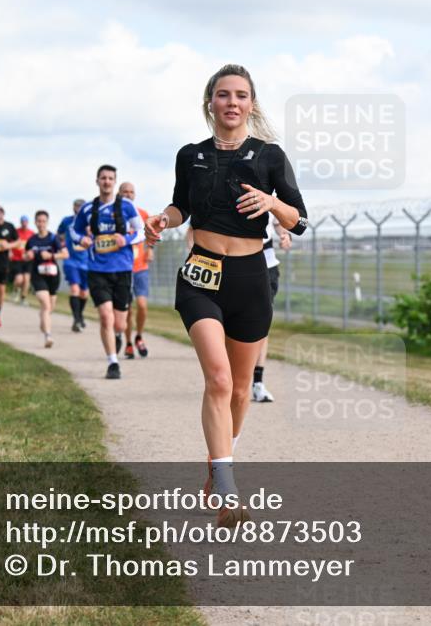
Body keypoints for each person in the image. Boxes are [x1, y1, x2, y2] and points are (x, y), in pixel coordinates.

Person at [143, 64, 308, 526]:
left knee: (239, 390)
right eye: (222, 95)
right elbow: (182, 205)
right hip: (201, 275)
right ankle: (228, 489)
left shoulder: (270, 156)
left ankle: (218, 466)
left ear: (251, 104)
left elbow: (300, 219)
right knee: (218, 380)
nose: (231, 102)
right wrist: (163, 220)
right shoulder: (190, 154)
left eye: (240, 95)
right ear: (209, 103)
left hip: (251, 278)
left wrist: (274, 203)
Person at [70, 166, 145, 379]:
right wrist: (82, 239)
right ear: (97, 181)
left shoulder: (127, 207)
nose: (106, 181)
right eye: (103, 178)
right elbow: (74, 231)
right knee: (105, 317)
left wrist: (127, 239)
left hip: (122, 269)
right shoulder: (87, 209)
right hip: (97, 269)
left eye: (110, 178)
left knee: (119, 323)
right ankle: (113, 362)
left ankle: (119, 335)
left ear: (115, 182)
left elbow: (142, 231)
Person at [252, 220, 291, 402]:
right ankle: (233, 377)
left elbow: (277, 220)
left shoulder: (270, 192)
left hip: (266, 265)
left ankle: (257, 383)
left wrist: (285, 234)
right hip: (233, 264)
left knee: (261, 323)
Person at [118, 182, 152, 359]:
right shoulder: (114, 214)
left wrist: (151, 249)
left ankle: (139, 336)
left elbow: (151, 235)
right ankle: (129, 343)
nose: (128, 194)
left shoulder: (142, 213)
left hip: (140, 268)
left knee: (142, 306)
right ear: (119, 194)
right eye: (125, 192)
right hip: (123, 268)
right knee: (127, 309)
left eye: (131, 192)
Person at [25, 210, 68, 348]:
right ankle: (48, 336)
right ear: (35, 222)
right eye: (39, 221)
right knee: (45, 304)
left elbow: (65, 254)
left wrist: (50, 256)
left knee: (49, 309)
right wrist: (29, 255)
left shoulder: (53, 238)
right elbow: (26, 256)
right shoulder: (32, 240)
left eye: (43, 221)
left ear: (47, 222)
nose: (41, 224)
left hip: (53, 276)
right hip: (38, 275)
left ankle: (43, 321)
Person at [57, 199, 90, 333]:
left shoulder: (90, 222)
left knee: (84, 293)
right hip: (70, 261)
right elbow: (58, 234)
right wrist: (62, 245)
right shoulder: (66, 221)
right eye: (77, 206)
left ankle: (80, 315)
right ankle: (76, 319)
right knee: (75, 290)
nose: (79, 209)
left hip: (86, 261)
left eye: (82, 207)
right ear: (73, 208)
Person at [10, 215, 35, 304]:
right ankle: (15, 291)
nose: (24, 223)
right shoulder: (16, 232)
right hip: (17, 258)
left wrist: (32, 253)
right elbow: (10, 243)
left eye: (26, 222)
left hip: (28, 260)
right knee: (19, 279)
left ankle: (23, 298)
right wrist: (10, 252)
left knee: (27, 279)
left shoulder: (32, 233)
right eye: (23, 222)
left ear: (28, 222)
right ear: (21, 222)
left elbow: (34, 246)